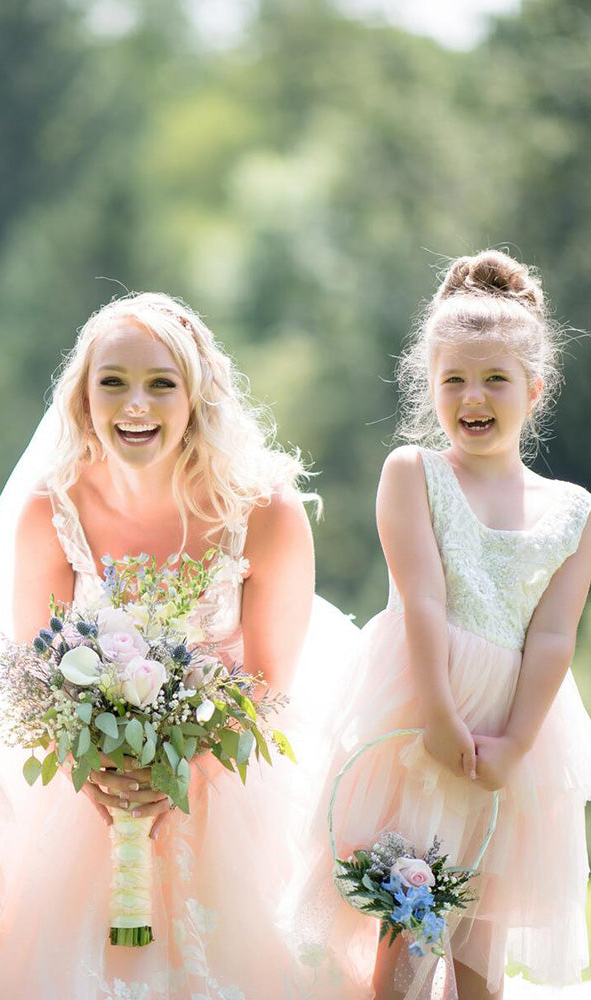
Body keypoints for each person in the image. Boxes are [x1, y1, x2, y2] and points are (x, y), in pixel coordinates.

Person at [0, 292, 357, 999]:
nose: (135, 404)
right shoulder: (48, 510)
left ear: (197, 394)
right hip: (91, 787)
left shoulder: (265, 509)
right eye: (112, 382)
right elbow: (36, 679)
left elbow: (270, 680)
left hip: (233, 775)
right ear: (84, 398)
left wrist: (175, 777)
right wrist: (95, 776)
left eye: (160, 383)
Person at [290, 250, 591, 1000]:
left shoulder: (573, 511)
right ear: (431, 386)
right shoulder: (414, 473)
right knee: (412, 931)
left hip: (514, 732)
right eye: (453, 379)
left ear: (535, 388)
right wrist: (439, 714)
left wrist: (516, 741)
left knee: (481, 955)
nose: (473, 397)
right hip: (424, 717)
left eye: (494, 379)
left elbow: (554, 634)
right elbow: (421, 598)